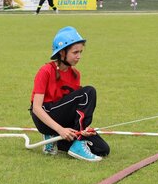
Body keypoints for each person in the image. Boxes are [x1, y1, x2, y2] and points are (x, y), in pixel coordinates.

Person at [29, 26, 109, 162]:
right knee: (88, 92)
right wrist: (60, 130)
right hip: (44, 117)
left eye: (80, 52)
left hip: (62, 120)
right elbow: (36, 108)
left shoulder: (75, 74)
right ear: (62, 53)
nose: (79, 56)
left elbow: (74, 107)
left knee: (102, 149)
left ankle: (55, 140)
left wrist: (84, 129)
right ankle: (75, 141)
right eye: (75, 52)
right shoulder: (46, 71)